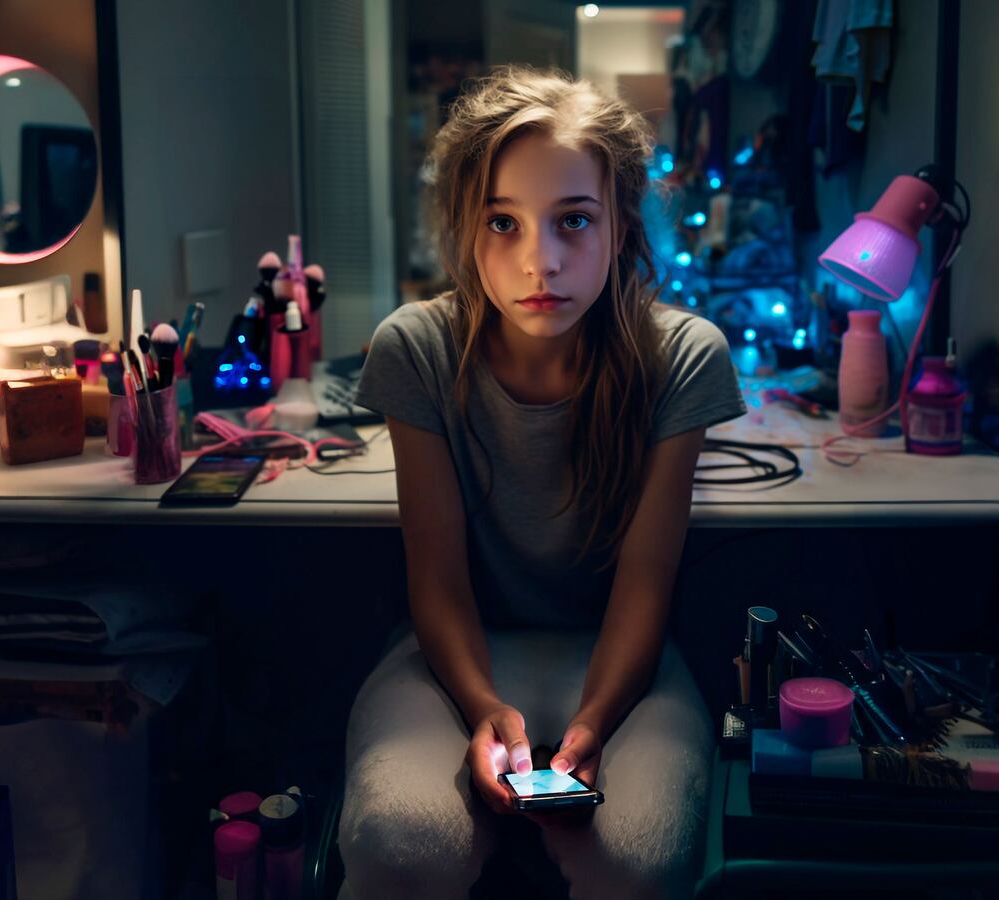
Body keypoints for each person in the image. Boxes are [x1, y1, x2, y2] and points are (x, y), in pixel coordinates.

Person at [337, 67, 746, 900]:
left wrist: (594, 722)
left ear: (622, 226)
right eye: (503, 222)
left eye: (573, 221)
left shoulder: (683, 355)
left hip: (623, 660)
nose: (541, 262)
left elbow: (645, 580)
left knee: (639, 854)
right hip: (452, 653)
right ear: (464, 225)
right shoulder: (415, 347)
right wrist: (483, 703)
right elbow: (438, 575)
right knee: (402, 842)